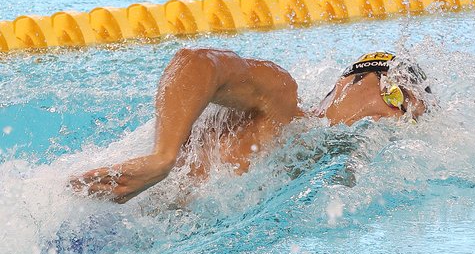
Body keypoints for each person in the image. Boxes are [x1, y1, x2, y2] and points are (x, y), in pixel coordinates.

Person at [70, 48, 432, 203]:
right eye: (394, 95)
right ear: (349, 81)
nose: (392, 116)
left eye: (406, 116)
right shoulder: (280, 100)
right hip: (98, 219)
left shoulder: (325, 173)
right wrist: (161, 157)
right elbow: (196, 62)